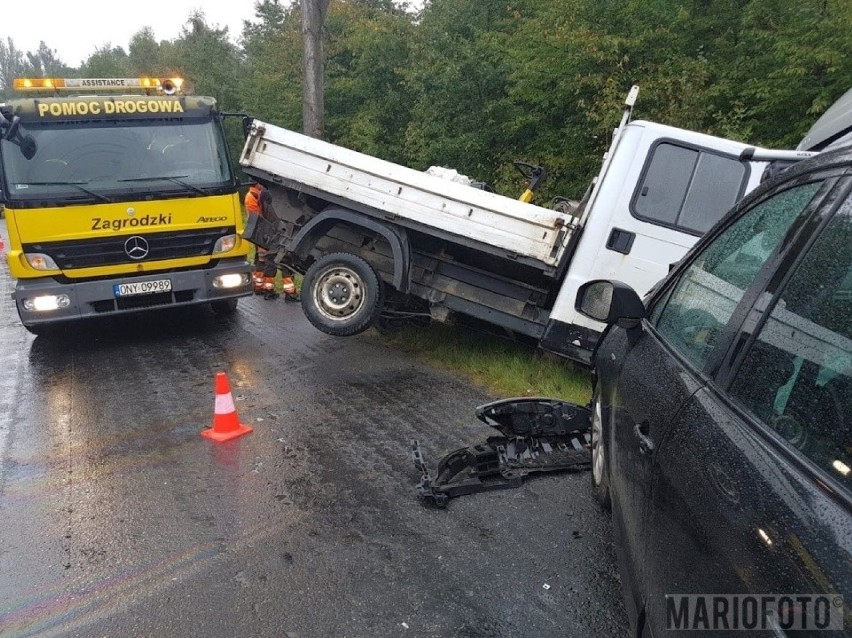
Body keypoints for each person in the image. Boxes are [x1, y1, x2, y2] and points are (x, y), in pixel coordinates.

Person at [244, 183, 300, 301]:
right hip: (267, 232)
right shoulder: (255, 196)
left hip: (265, 233)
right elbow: (257, 216)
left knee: (265, 259)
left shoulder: (260, 195)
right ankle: (285, 291)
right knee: (274, 260)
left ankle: (263, 287)